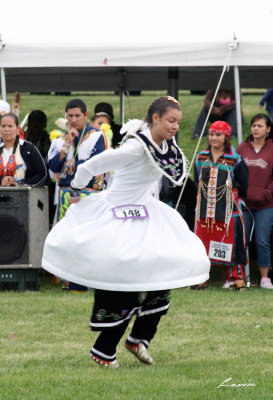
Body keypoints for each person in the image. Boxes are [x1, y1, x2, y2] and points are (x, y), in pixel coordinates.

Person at [42, 96, 210, 368]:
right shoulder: (135, 147)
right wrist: (76, 190)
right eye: (171, 120)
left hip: (147, 214)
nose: (176, 126)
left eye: (178, 122)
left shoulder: (164, 145)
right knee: (126, 284)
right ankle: (104, 348)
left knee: (162, 269)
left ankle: (140, 338)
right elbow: (90, 166)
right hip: (118, 214)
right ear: (155, 118)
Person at [47, 98, 109, 291]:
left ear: (85, 116)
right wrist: (66, 146)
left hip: (89, 195)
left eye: (77, 116)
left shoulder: (97, 137)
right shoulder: (60, 140)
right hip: (66, 195)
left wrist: (73, 172)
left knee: (90, 238)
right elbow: (54, 167)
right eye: (70, 116)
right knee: (69, 237)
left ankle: (93, 279)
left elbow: (94, 166)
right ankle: (71, 280)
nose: (73, 120)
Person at [194, 121, 249, 290]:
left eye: (218, 134)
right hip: (205, 209)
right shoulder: (201, 157)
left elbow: (243, 184)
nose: (214, 138)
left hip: (228, 209)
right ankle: (200, 278)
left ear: (226, 137)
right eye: (211, 134)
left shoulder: (236, 159)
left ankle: (235, 278)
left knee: (232, 241)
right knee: (202, 243)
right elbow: (198, 181)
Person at [237, 113, 273, 289]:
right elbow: (234, 172)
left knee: (261, 239)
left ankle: (265, 278)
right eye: (253, 125)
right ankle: (239, 276)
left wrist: (267, 193)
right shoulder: (242, 148)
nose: (255, 129)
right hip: (244, 204)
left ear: (268, 129)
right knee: (241, 240)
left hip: (266, 204)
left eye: (259, 126)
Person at [0, 113, 47, 186]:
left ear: (17, 128)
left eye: (10, 126)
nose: (6, 129)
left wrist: (22, 184)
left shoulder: (28, 148)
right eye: (3, 126)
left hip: (24, 194)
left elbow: (41, 173)